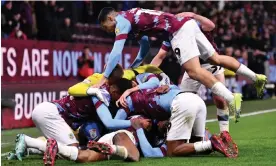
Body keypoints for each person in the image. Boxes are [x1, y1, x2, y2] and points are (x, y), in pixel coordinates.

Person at [94, 7, 267, 118]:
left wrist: (103, 79)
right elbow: (145, 46)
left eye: (105, 27)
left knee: (193, 71)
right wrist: (134, 66)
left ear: (110, 18)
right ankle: (256, 77)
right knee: (216, 58)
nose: (107, 30)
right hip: (188, 24)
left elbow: (116, 53)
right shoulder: (132, 17)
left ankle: (230, 97)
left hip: (177, 31)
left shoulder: (121, 22)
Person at [101, 77, 237, 158]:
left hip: (182, 103)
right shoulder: (151, 84)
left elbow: (112, 123)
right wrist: (169, 86)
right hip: (195, 99)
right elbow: (154, 80)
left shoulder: (128, 100)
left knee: (173, 151)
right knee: (195, 147)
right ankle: (219, 139)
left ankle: (212, 142)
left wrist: (137, 124)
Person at [151, 12, 232, 128]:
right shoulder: (171, 34)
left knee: (220, 99)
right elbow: (160, 56)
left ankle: (225, 133)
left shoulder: (195, 25)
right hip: (193, 69)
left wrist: (194, 15)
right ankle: (187, 133)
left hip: (211, 63)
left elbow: (211, 26)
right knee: (183, 101)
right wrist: (145, 73)